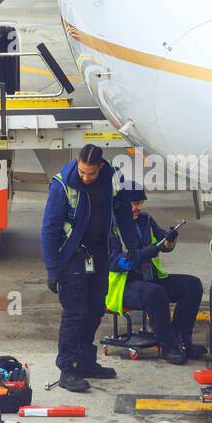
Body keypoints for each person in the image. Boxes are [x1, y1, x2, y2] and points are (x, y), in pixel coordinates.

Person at [41, 144, 135, 393]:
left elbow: (123, 213)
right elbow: (49, 229)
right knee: (74, 313)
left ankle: (85, 361)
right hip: (73, 257)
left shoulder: (111, 179)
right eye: (82, 172)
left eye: (90, 174)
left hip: (99, 254)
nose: (85, 177)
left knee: (94, 310)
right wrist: (52, 269)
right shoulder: (63, 185)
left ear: (100, 167)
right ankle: (67, 369)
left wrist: (134, 247)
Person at [106, 187, 205, 365]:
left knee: (192, 285)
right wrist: (144, 253)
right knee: (155, 293)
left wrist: (170, 239)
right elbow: (114, 263)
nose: (139, 208)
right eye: (135, 204)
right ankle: (169, 347)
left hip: (149, 278)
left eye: (141, 203)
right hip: (124, 286)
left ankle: (181, 340)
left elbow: (163, 245)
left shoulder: (145, 220)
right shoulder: (111, 228)